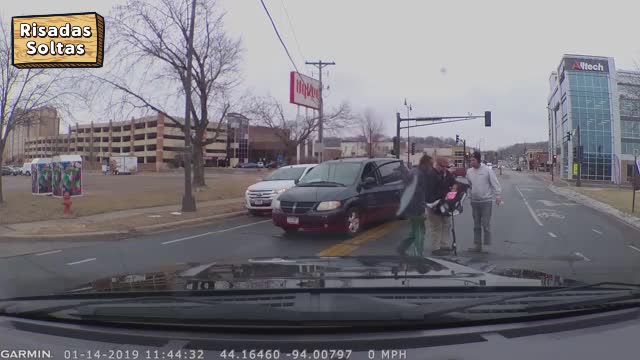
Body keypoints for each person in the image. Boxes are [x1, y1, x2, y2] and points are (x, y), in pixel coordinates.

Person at [396, 154, 433, 257]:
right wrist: (422, 208)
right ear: (425, 164)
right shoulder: (419, 175)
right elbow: (417, 195)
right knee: (420, 231)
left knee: (415, 230)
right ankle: (418, 254)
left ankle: (401, 248)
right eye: (431, 165)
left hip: (409, 206)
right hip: (415, 207)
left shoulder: (414, 172)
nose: (432, 167)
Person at [465, 151, 502, 253]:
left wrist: (498, 196)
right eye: (470, 160)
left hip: (486, 201)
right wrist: (469, 195)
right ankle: (477, 245)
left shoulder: (487, 170)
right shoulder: (469, 172)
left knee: (485, 224)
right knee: (476, 225)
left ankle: (486, 246)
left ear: (478, 160)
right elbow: (469, 185)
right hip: (474, 201)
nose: (471, 162)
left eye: (473, 160)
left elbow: (495, 183)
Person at [425, 156, 456, 256]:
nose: (445, 169)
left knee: (446, 225)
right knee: (436, 226)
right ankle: (436, 248)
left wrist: (454, 188)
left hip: (445, 204)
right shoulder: (430, 175)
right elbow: (428, 192)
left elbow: (454, 183)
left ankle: (444, 246)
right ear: (437, 164)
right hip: (433, 204)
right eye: (443, 166)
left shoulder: (447, 174)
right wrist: (432, 204)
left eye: (446, 167)